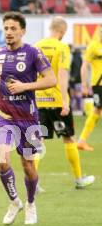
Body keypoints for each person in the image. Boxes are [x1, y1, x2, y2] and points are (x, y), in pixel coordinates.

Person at [0, 12, 56, 225]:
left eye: (13, 28)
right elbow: (1, 78)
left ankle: (31, 204)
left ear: (22, 31)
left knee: (28, 166)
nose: (9, 32)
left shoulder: (33, 52)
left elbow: (50, 79)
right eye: (6, 28)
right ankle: (14, 201)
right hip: (3, 116)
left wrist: (25, 86)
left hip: (28, 119)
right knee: (3, 161)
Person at [34, 16, 95, 189]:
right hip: (56, 101)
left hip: (39, 101)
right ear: (62, 31)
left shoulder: (36, 46)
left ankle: (33, 183)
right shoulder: (62, 48)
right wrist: (65, 101)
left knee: (38, 141)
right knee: (69, 139)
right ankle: (79, 179)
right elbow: (62, 75)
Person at [77, 25, 102, 151]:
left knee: (96, 112)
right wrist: (84, 85)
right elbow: (84, 66)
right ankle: (81, 140)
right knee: (97, 110)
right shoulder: (93, 46)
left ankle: (81, 140)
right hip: (99, 84)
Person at [69, 46, 83, 113]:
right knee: (76, 94)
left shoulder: (76, 57)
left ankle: (78, 109)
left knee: (76, 94)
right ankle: (77, 109)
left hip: (76, 80)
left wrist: (73, 77)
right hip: (78, 79)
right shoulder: (79, 57)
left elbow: (77, 68)